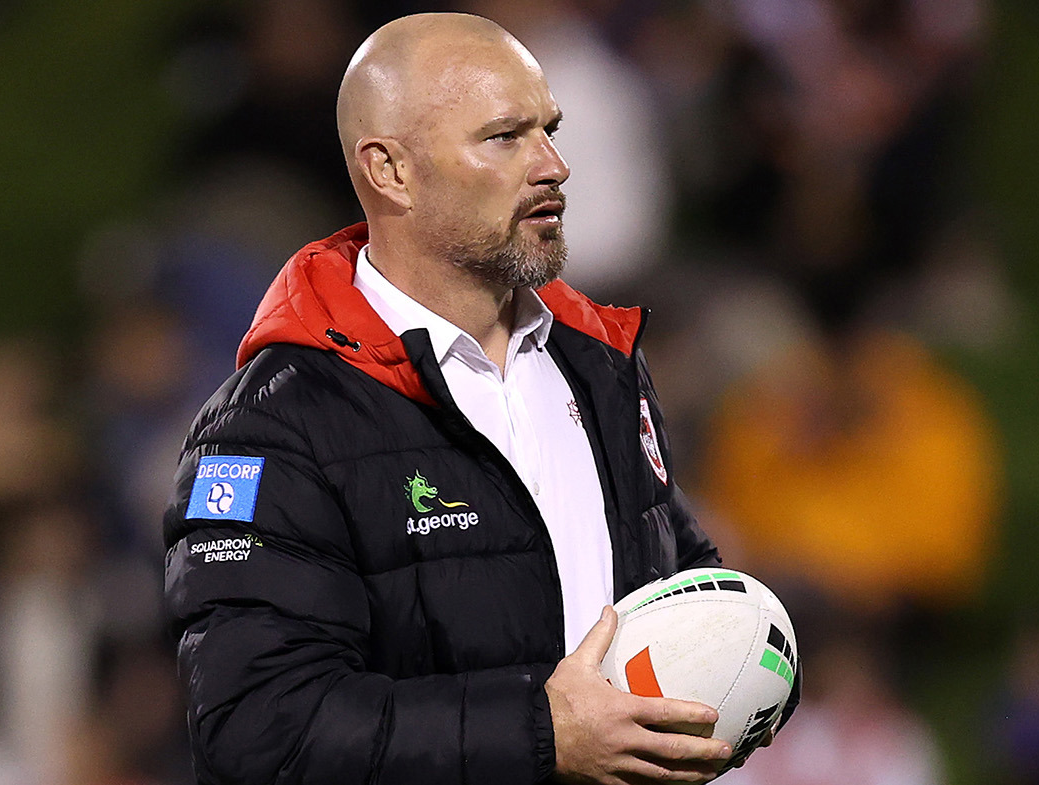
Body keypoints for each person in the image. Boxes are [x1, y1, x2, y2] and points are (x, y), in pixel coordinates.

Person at [163, 13, 794, 785]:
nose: (555, 165)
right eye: (504, 137)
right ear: (390, 170)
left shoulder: (599, 362)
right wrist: (541, 734)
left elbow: (669, 573)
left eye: (549, 130)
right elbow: (259, 727)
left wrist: (738, 660)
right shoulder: (271, 427)